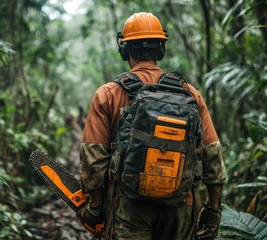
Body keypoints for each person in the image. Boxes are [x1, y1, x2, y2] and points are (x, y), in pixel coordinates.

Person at [77, 12, 226, 240]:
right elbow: (212, 154)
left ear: (125, 50)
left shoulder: (108, 95)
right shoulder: (190, 94)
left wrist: (96, 206)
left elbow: (93, 157)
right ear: (160, 50)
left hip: (129, 204)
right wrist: (213, 208)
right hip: (181, 206)